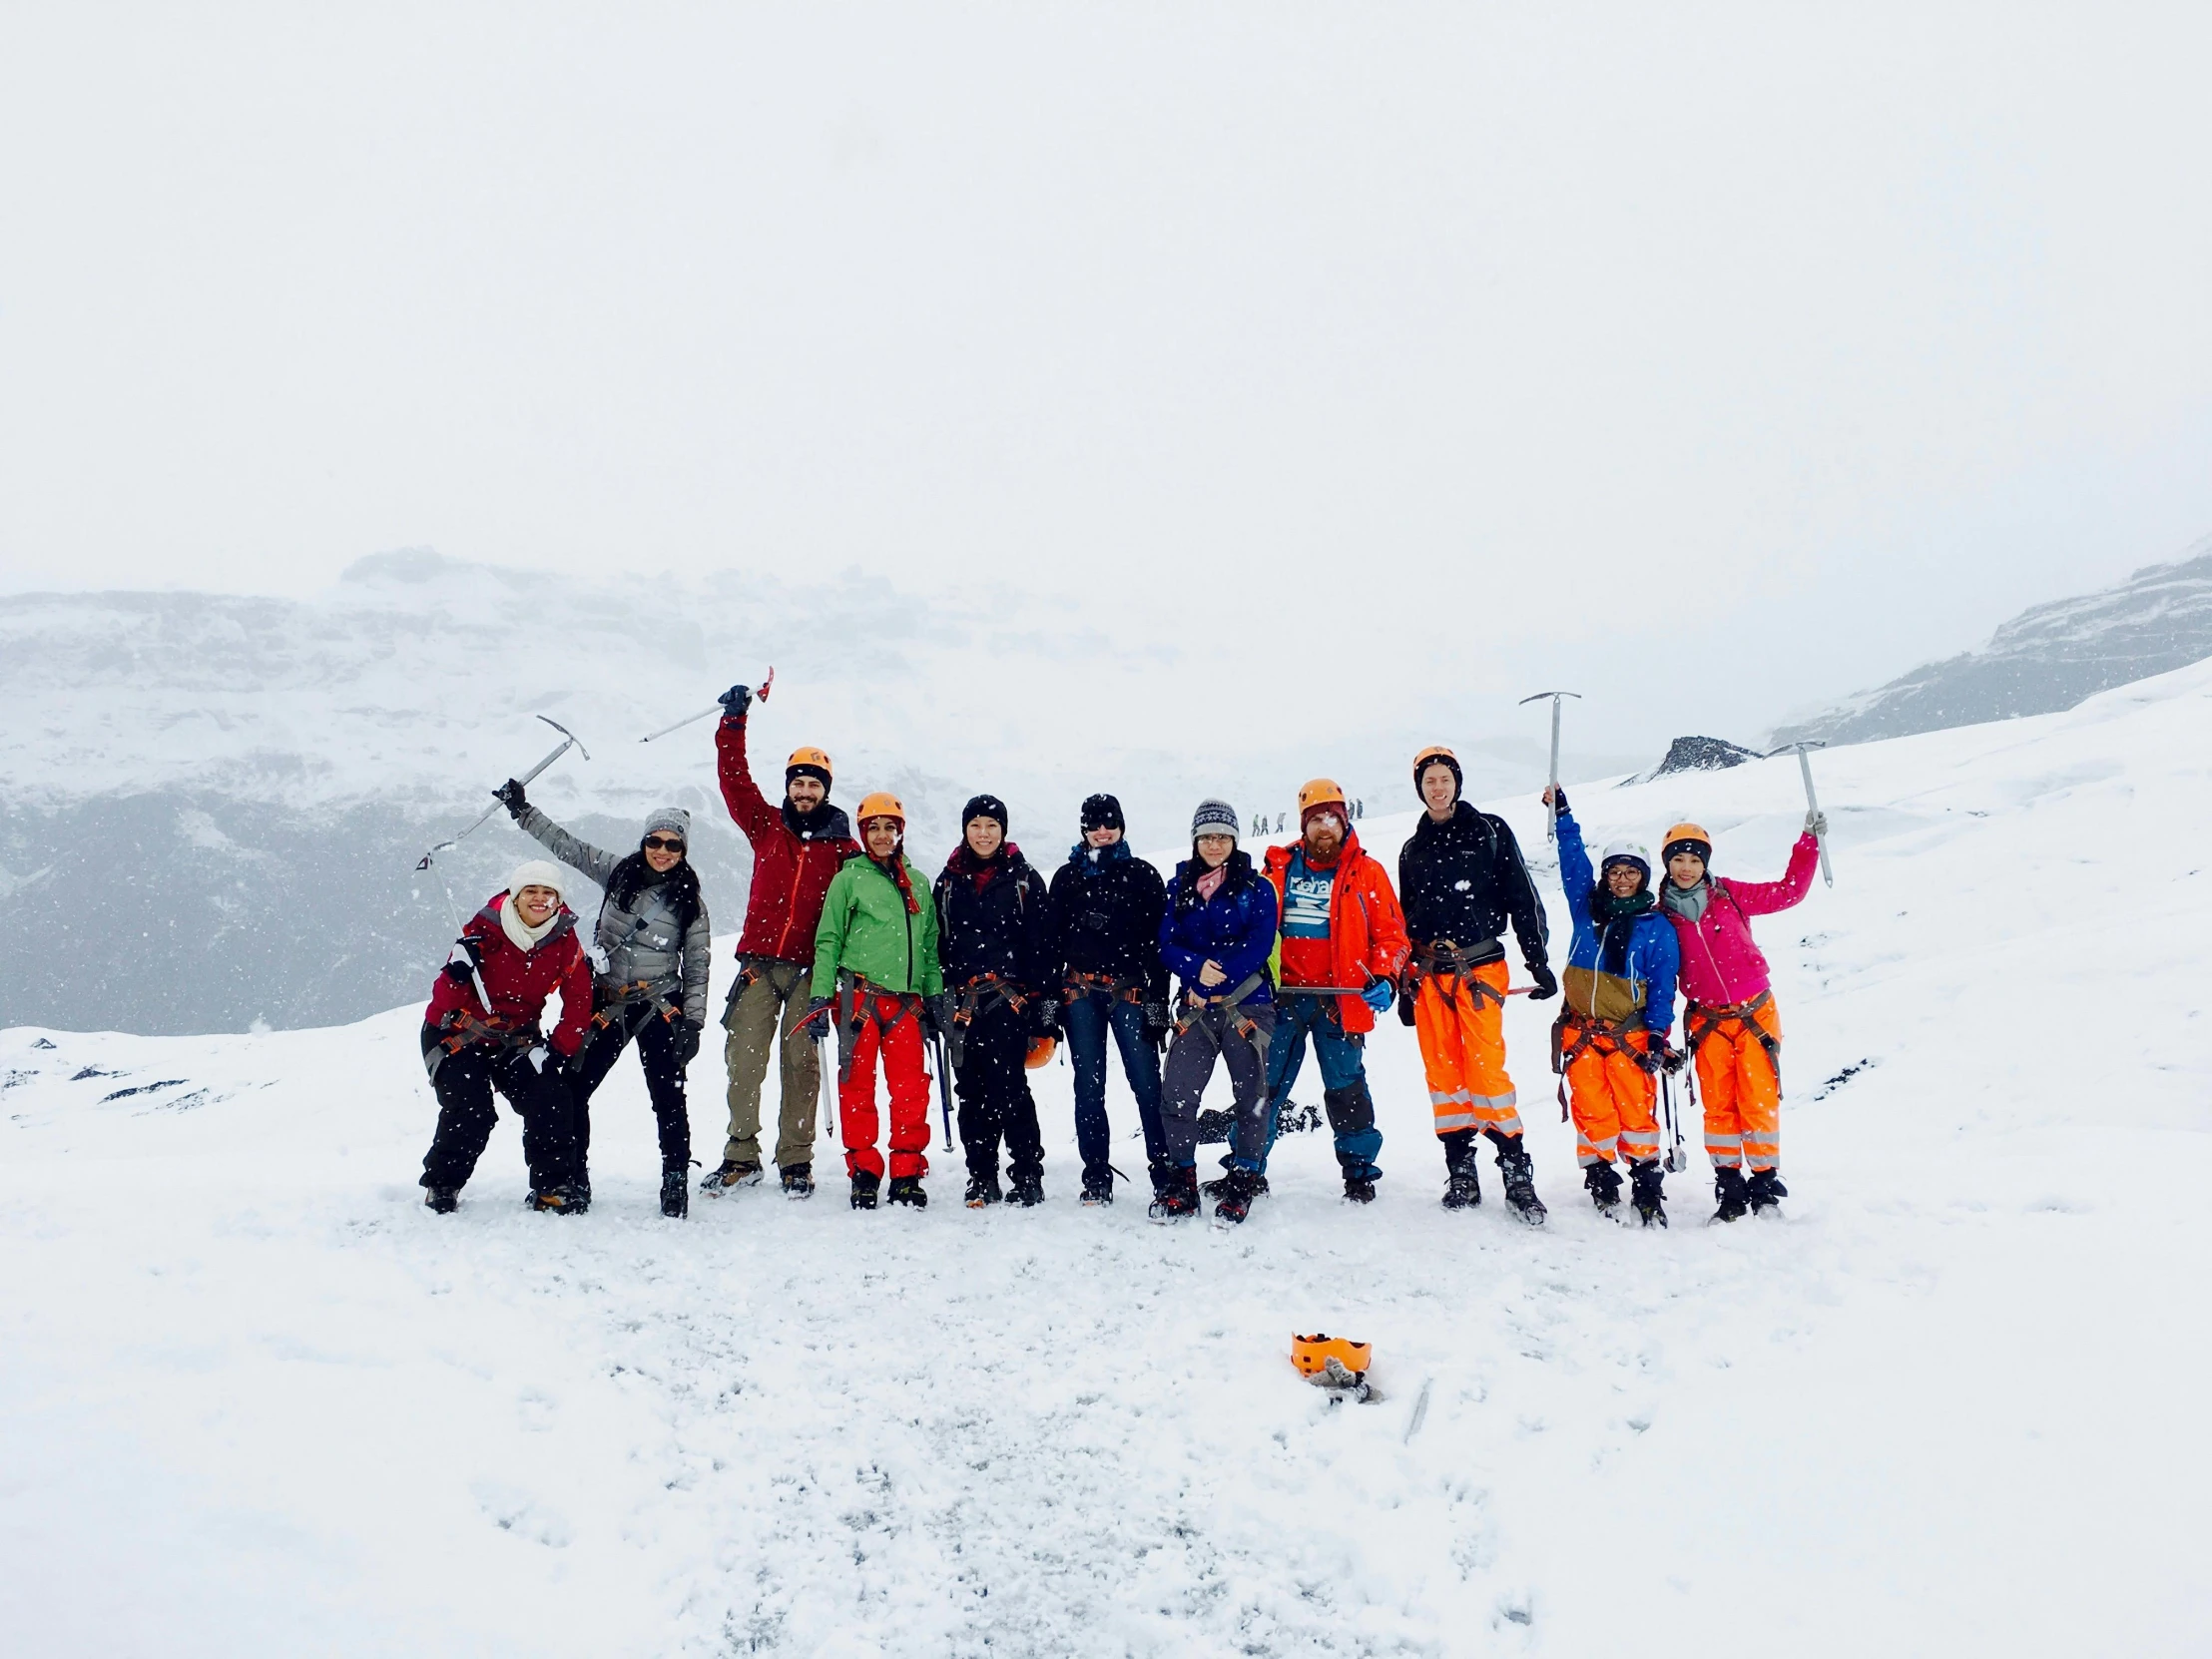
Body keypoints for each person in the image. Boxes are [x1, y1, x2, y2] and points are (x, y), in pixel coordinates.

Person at [496, 784, 710, 1218]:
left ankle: (674, 1181)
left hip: (658, 1006)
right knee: (573, 1089)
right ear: (644, 841)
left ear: (683, 850)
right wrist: (522, 811)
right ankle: (574, 1177)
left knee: (668, 1097)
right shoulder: (618, 873)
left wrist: (693, 1023)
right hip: (608, 1001)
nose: (663, 851)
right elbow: (567, 847)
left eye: (673, 845)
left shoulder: (691, 903)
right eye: (656, 841)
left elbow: (698, 965)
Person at [707, 681, 859, 1199]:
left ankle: (796, 1159)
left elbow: (864, 910)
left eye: (814, 783)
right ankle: (740, 1155)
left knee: (801, 1066)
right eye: (797, 782)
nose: (804, 791)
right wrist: (733, 724)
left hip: (811, 971)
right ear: (789, 786)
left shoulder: (845, 848)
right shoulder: (766, 825)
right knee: (744, 1061)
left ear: (826, 789)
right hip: (757, 965)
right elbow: (734, 781)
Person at [1397, 747, 1557, 1221]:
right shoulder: (1412, 848)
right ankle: (1460, 1168)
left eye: (1444, 779)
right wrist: (1406, 979)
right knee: (1444, 1076)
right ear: (1420, 789)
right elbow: (1405, 920)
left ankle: (1515, 1169)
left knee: (1486, 1071)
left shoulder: (1489, 831)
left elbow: (1521, 897)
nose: (1438, 788)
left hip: (1479, 968)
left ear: (1458, 782)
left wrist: (1537, 959)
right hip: (1428, 974)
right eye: (1429, 782)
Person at [1658, 812, 1823, 1220]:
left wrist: (1808, 842)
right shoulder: (1660, 915)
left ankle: (1764, 1184)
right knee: (1718, 1106)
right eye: (1678, 859)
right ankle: (1729, 1187)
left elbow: (1788, 892)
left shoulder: (1729, 894)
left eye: (1694, 860)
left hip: (1754, 1014)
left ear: (1705, 863)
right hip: (1707, 1021)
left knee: (1759, 1101)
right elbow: (1656, 978)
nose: (1686, 867)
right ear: (1667, 864)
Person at [1258, 779, 1411, 1205]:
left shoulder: (1368, 873)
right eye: (1316, 819)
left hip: (1340, 1000)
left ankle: (1359, 1171)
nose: (1325, 827)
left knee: (1346, 1087)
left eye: (1333, 818)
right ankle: (1247, 1165)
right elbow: (1252, 931)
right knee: (1262, 1085)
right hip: (1281, 999)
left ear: (1344, 822)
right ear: (1304, 824)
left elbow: (1392, 938)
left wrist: (1385, 977)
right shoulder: (1276, 870)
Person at [418, 860, 593, 1214]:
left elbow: (579, 999)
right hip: (456, 1036)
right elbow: (440, 1007)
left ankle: (552, 1186)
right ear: (515, 896)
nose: (539, 899)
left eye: (548, 893)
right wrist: (457, 971)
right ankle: (443, 1184)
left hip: (515, 1041)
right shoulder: (482, 932)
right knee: (472, 1110)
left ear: (559, 900)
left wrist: (560, 1050)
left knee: (552, 1098)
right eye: (531, 891)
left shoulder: (563, 940)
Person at [1542, 788, 1681, 1225]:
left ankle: (1646, 1187)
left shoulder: (1656, 927)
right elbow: (1572, 862)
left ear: (1643, 877)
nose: (1622, 880)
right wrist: (1562, 815)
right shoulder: (1588, 909)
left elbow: (1662, 988)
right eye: (1615, 872)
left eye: (1631, 873)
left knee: (1637, 1114)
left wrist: (1659, 1034)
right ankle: (1601, 1181)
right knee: (1592, 1111)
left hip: (1630, 1036)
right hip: (1581, 1032)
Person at [808, 792, 943, 1210]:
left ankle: (906, 1172)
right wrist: (818, 996)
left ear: (901, 831)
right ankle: (864, 1170)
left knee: (910, 1091)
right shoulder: (849, 878)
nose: (883, 836)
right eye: (874, 828)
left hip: (906, 1005)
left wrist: (935, 996)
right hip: (859, 1000)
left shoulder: (918, 882)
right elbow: (828, 940)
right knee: (856, 1088)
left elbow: (930, 946)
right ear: (863, 833)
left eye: (890, 827)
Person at [1155, 801, 1280, 1223]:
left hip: (1248, 1006)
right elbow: (1166, 944)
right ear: (1195, 840)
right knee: (1177, 1093)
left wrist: (1215, 975)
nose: (1214, 843)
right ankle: (1182, 1178)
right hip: (1196, 1009)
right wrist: (1193, 969)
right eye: (1207, 836)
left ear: (1234, 840)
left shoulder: (1257, 888)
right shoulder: (1179, 888)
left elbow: (1260, 943)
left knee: (1251, 1097)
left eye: (1222, 836)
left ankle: (1243, 1176)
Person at [932, 795, 1057, 1208]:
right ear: (965, 831)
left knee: (1010, 1089)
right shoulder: (948, 883)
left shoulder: (1024, 879)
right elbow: (938, 947)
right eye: (976, 826)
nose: (983, 834)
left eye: (991, 826)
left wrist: (1044, 1011)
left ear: (1003, 831)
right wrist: (939, 1003)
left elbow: (1042, 946)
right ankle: (981, 1175)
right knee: (971, 1091)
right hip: (963, 1004)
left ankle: (1026, 1173)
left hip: (1011, 1002)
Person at [1048, 794, 1171, 1204]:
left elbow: (1160, 947)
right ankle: (1096, 1176)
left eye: (1109, 823)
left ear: (1121, 826)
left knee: (1148, 1085)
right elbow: (1050, 947)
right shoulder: (1066, 878)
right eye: (1095, 824)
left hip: (1131, 995)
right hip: (1079, 994)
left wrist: (1157, 1005)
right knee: (1088, 1087)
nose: (1103, 831)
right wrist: (1049, 1009)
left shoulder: (1142, 876)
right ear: (1083, 829)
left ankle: (1164, 1171)